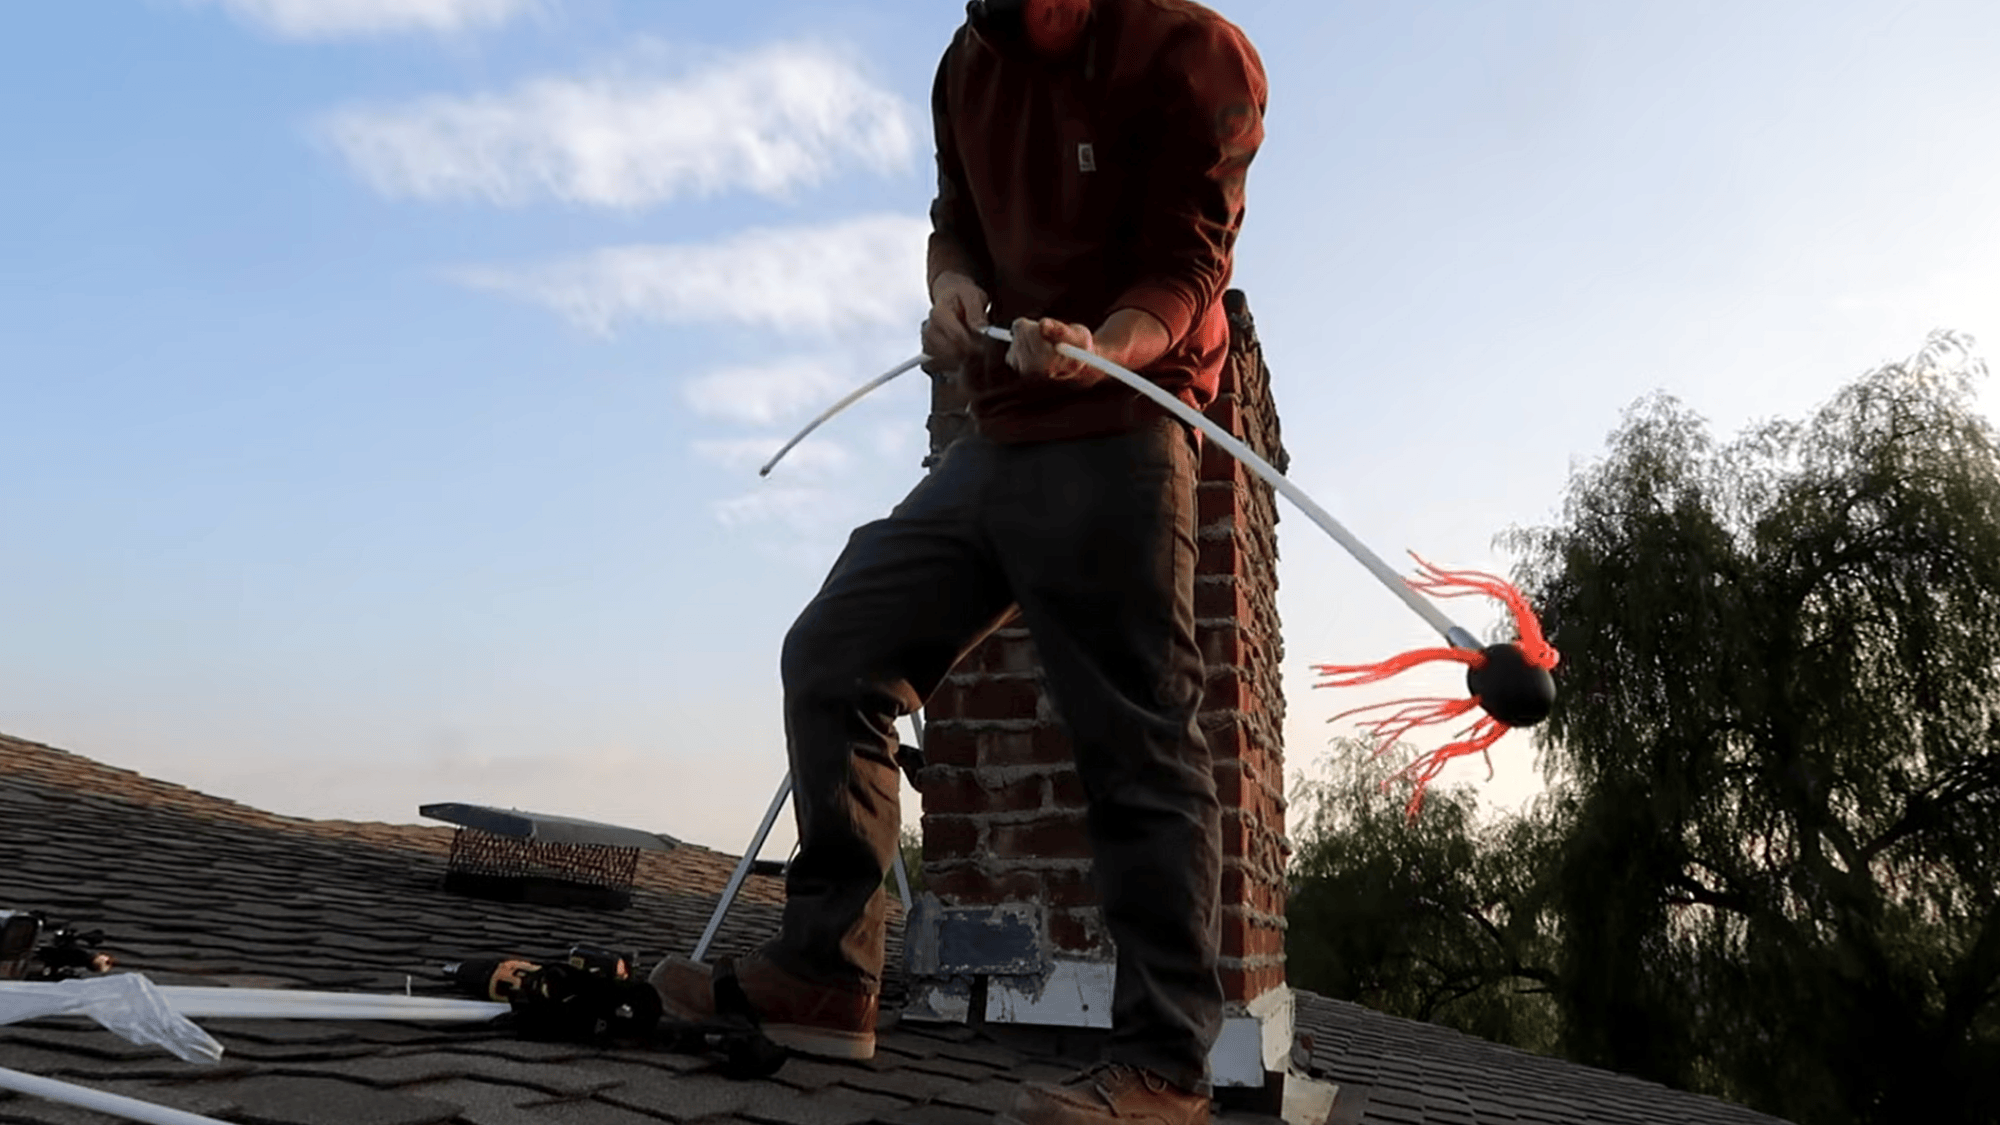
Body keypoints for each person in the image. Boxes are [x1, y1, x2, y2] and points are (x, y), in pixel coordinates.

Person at [653, 1, 1264, 1121]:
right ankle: (827, 980)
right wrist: (951, 293)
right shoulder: (963, 67)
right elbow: (955, 226)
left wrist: (1103, 347)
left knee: (1138, 743)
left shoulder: (1195, 56)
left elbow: (1188, 267)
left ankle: (1165, 1068)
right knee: (835, 655)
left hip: (1127, 430)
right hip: (1000, 438)